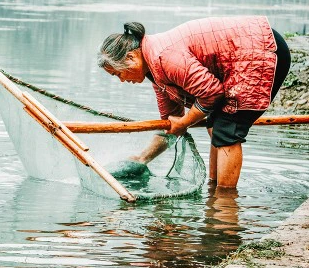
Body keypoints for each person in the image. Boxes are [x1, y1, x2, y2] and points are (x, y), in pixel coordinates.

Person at [98, 17, 291, 189]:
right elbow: (171, 124)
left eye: (118, 73)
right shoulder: (155, 72)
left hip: (260, 49)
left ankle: (225, 202)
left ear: (131, 57)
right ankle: (214, 189)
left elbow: (211, 93)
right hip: (247, 51)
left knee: (226, 128)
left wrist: (185, 121)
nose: (122, 80)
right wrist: (143, 158)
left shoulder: (165, 58)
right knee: (215, 125)